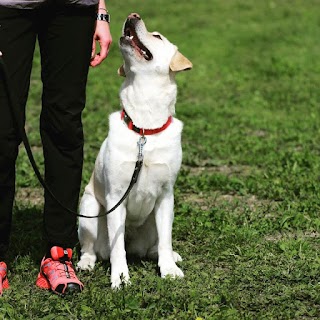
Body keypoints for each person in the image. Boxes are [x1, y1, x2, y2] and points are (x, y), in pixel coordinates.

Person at [0, 0, 112, 295]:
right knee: (1, 127)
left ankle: (58, 253)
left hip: (73, 8)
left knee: (64, 126)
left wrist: (100, 10)